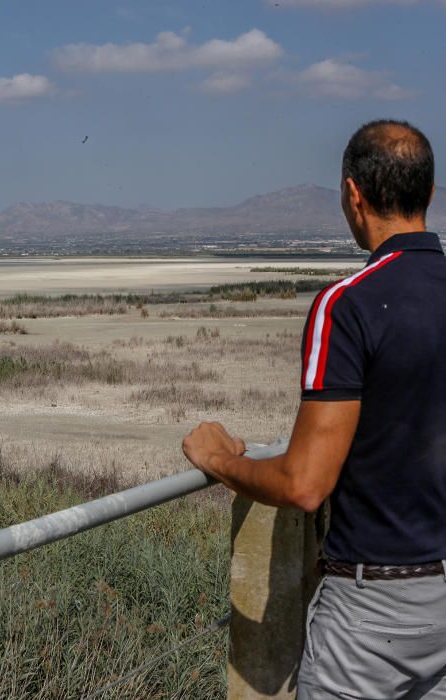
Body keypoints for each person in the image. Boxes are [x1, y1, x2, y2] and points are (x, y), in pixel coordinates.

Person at [182, 119, 446, 698]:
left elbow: (304, 484)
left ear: (353, 196)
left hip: (375, 609)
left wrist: (218, 461)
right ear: (429, 194)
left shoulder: (347, 306)